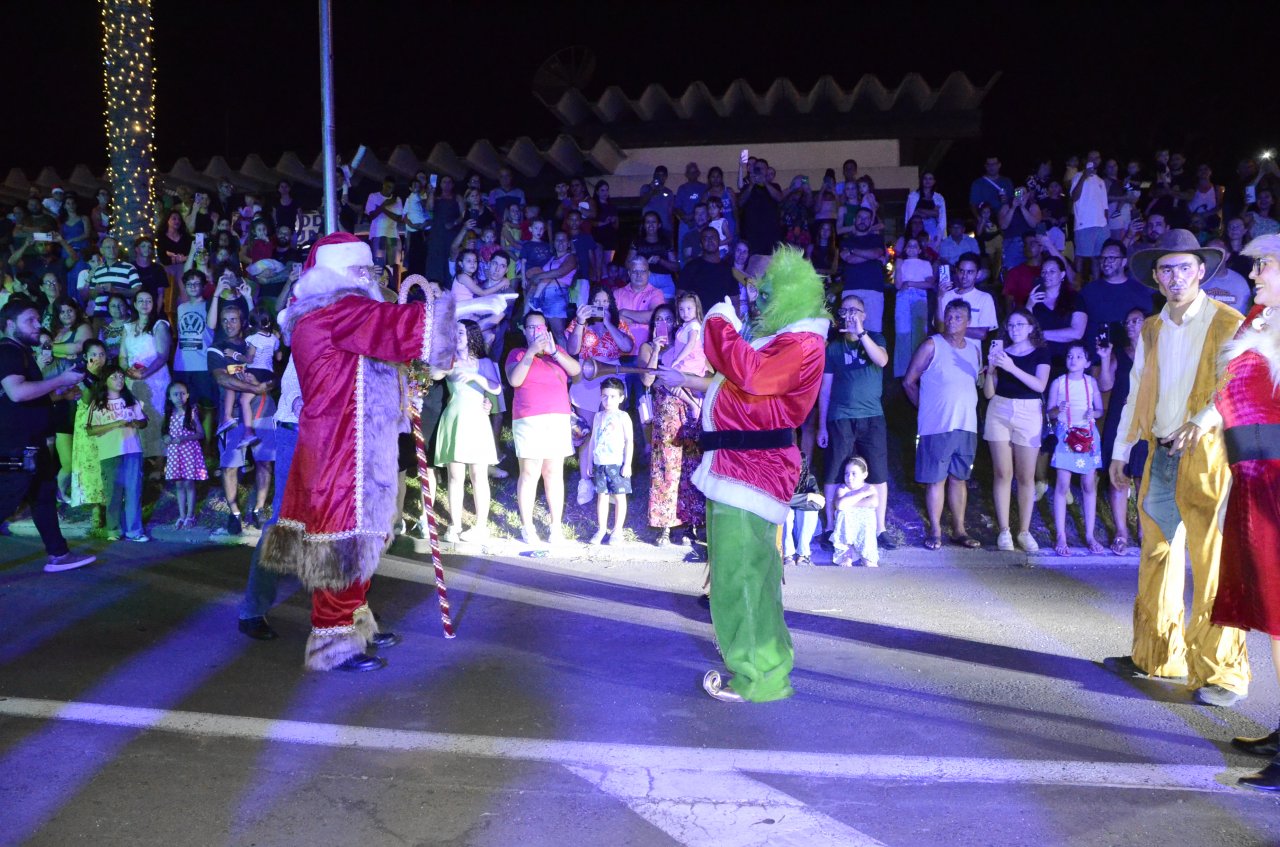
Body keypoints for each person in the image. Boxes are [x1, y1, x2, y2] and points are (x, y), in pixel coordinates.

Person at [260, 233, 455, 671]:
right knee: (340, 542)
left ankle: (355, 620)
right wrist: (455, 311)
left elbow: (375, 355)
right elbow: (398, 328)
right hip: (339, 448)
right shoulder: (336, 311)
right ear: (337, 272)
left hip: (351, 442)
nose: (370, 276)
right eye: (361, 269)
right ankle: (333, 641)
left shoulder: (333, 313)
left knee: (361, 537)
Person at [672, 246, 828, 703]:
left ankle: (758, 676)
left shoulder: (801, 342)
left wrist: (717, 321)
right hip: (738, 469)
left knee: (740, 578)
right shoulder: (785, 337)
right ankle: (766, 669)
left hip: (750, 471)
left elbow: (751, 374)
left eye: (761, 292)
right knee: (748, 576)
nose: (754, 300)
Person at [1104, 229, 1249, 707]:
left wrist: (1201, 420)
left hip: (1207, 456)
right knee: (1157, 556)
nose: (1175, 276)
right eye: (1166, 269)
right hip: (1160, 454)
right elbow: (1134, 392)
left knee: (1212, 563)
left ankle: (1223, 674)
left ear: (1201, 271)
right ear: (1156, 277)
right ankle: (1157, 656)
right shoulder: (1151, 329)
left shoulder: (1228, 322)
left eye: (1184, 267)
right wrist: (1120, 450)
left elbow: (1238, 384)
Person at [1208, 235, 1280, 790]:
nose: (1254, 275)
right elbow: (1231, 394)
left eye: (1265, 266)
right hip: (1253, 480)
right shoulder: (1259, 323)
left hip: (1276, 484)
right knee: (1272, 616)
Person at [0, 300, 96, 573]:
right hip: (17, 445)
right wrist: (61, 380)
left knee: (43, 496)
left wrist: (58, 395)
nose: (37, 325)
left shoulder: (21, 352)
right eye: (29, 320)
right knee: (6, 500)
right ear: (10, 324)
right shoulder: (8, 351)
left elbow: (25, 396)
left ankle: (59, 554)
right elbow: (17, 393)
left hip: (32, 442)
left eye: (38, 319)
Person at [903, 299, 982, 550]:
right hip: (937, 425)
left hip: (967, 425)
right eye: (948, 315)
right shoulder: (931, 345)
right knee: (936, 479)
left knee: (959, 478)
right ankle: (935, 531)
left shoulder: (974, 350)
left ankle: (959, 530)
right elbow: (909, 381)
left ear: (968, 322)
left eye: (958, 317)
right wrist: (926, 409)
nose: (951, 320)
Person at [817, 294, 893, 549]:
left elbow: (882, 360)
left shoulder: (876, 338)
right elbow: (825, 389)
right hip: (841, 417)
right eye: (845, 311)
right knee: (834, 470)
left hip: (872, 417)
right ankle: (830, 527)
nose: (850, 315)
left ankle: (880, 529)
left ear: (864, 315)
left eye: (855, 310)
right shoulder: (833, 347)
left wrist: (861, 333)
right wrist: (822, 425)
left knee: (878, 471)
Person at [506, 310, 581, 546]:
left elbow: (576, 371)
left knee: (554, 473)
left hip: (557, 418)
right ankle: (527, 526)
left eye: (540, 327)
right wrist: (531, 352)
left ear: (547, 330)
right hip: (528, 419)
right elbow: (515, 380)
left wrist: (554, 351)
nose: (536, 331)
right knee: (530, 473)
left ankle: (555, 526)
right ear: (524, 330)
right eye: (531, 327)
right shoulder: (517, 353)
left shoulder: (556, 352)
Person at [983, 309, 1050, 552]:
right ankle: (1004, 531)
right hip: (999, 409)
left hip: (1028, 412)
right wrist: (991, 370)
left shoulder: (1041, 352)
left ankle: (1024, 531)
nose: (1014, 329)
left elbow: (1039, 385)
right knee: (1002, 473)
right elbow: (988, 393)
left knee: (1025, 476)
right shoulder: (1001, 353)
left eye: (1020, 324)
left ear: (1031, 327)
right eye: (1010, 325)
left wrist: (1011, 367)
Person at [640, 304, 705, 547]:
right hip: (665, 415)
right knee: (665, 468)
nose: (664, 323)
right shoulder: (648, 347)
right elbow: (648, 380)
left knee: (690, 466)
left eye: (668, 319)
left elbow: (705, 372)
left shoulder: (688, 343)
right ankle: (665, 526)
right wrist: (657, 349)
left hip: (689, 412)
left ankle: (690, 525)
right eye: (659, 319)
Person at [435, 319, 500, 543]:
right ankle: (455, 525)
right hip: (454, 419)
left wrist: (476, 377)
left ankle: (481, 526)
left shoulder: (483, 362)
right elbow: (433, 375)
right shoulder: (449, 361)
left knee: (479, 476)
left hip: (477, 420)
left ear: (471, 336)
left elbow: (496, 388)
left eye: (461, 332)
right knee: (455, 476)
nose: (457, 336)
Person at [1097, 309, 1148, 554]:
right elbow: (1105, 384)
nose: (1130, 325)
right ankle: (1120, 532)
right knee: (1118, 473)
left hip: (1146, 420)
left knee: (1143, 477)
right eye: (1127, 321)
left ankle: (1143, 530)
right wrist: (1105, 359)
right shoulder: (1119, 353)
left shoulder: (1157, 353)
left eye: (1136, 321)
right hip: (1120, 420)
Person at [1047, 343, 1105, 556]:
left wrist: (1093, 414)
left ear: (1087, 362)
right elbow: (1049, 413)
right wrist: (1057, 409)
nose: (1073, 359)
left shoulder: (1091, 382)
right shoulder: (1058, 382)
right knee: (1062, 484)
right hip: (1066, 435)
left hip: (1088, 435)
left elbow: (1100, 409)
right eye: (1070, 356)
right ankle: (1061, 535)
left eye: (1079, 356)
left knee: (1089, 484)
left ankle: (1090, 535)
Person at [85, 364, 148, 542]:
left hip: (132, 450)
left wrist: (135, 423)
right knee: (113, 493)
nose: (119, 380)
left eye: (121, 376)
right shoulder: (98, 404)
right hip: (110, 452)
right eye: (114, 377)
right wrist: (116, 424)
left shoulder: (130, 400)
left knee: (133, 491)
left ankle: (134, 530)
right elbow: (90, 430)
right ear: (105, 381)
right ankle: (113, 530)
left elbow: (143, 421)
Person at [119, 288, 171, 462]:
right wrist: (128, 370)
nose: (144, 304)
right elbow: (122, 356)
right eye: (141, 300)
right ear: (134, 304)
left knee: (156, 416)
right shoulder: (128, 327)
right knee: (135, 416)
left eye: (148, 300)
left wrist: (145, 374)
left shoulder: (159, 325)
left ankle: (159, 463)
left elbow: (162, 356)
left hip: (155, 379)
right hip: (133, 378)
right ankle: (139, 459)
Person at [582, 377, 633, 546]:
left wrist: (627, 464)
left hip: (617, 464)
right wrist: (589, 462)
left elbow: (629, 441)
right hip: (600, 463)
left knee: (619, 497)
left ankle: (617, 530)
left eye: (612, 396)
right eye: (604, 396)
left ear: (621, 398)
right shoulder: (598, 416)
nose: (608, 400)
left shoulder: (623, 416)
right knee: (602, 497)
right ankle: (602, 529)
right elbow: (593, 440)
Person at [163, 380, 205, 528]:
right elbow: (164, 433)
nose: (179, 397)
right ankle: (181, 516)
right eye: (175, 394)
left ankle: (190, 516)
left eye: (182, 393)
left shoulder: (191, 412)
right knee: (179, 484)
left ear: (187, 395)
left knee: (189, 483)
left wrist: (185, 438)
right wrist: (166, 438)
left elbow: (201, 434)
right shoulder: (168, 414)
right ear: (169, 397)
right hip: (175, 454)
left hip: (189, 452)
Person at [892, 236, 935, 378]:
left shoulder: (925, 264)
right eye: (909, 245)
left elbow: (930, 283)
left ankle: (919, 370)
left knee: (919, 332)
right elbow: (898, 285)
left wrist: (910, 283)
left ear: (919, 250)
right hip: (903, 298)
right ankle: (902, 372)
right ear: (905, 249)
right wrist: (898, 267)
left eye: (914, 245)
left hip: (919, 299)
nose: (911, 248)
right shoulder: (901, 263)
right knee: (902, 331)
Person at [936, 253, 997, 341]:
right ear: (956, 271)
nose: (965, 276)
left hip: (972, 349)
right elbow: (939, 327)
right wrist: (939, 298)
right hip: (946, 347)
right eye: (961, 271)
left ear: (978, 274)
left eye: (970, 272)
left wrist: (951, 327)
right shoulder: (945, 295)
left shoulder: (985, 298)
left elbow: (981, 334)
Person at [831, 456, 879, 567]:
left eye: (854, 474)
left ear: (864, 475)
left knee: (867, 517)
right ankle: (847, 554)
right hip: (847, 522)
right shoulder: (843, 488)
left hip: (864, 523)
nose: (849, 477)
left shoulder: (869, 487)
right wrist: (862, 495)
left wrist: (849, 502)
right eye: (846, 474)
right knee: (843, 514)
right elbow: (840, 505)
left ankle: (866, 555)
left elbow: (873, 503)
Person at [1071, 153, 1110, 280]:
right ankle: (1077, 286)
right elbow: (1074, 197)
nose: (1094, 160)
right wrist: (1084, 176)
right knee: (1080, 256)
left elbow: (1105, 206)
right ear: (1086, 160)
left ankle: (1096, 284)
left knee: (1097, 258)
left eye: (1097, 157)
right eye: (1091, 158)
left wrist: (1106, 224)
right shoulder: (1078, 176)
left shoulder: (1101, 181)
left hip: (1101, 225)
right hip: (1084, 224)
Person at [783, 452, 822, 566]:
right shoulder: (781, 478)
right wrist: (807, 497)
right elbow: (779, 499)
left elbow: (817, 504)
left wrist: (794, 501)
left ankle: (803, 555)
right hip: (787, 524)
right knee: (786, 512)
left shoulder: (809, 479)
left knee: (808, 513)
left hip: (802, 525)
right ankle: (787, 555)